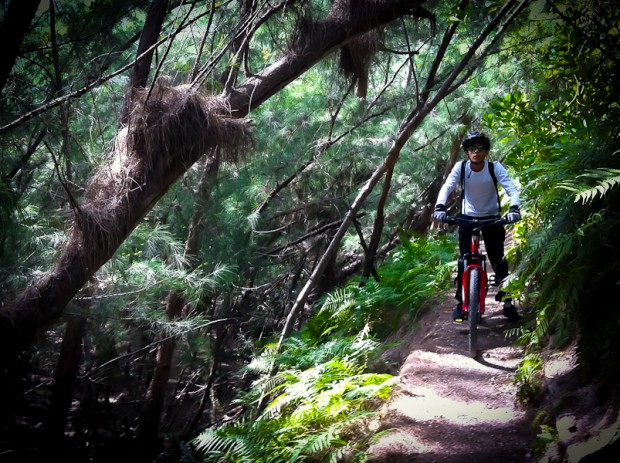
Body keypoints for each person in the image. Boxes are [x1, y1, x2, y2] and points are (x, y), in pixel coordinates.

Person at [433, 131, 522, 322]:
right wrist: (440, 206)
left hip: (492, 218)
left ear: (486, 151)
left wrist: (514, 208)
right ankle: (461, 302)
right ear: (467, 153)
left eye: (480, 148)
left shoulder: (494, 167)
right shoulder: (461, 167)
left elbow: (511, 189)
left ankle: (507, 301)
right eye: (472, 148)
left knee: (498, 260)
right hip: (467, 218)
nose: (476, 151)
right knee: (463, 260)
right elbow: (447, 186)